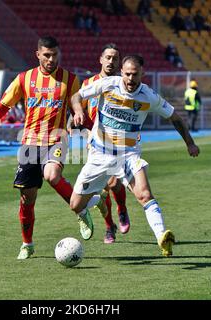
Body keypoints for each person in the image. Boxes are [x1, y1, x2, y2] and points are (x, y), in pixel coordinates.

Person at [0, 36, 106, 260]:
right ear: (38, 54)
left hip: (57, 138)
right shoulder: (24, 79)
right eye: (47, 55)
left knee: (51, 175)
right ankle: (27, 243)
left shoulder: (70, 80)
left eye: (55, 55)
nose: (51, 60)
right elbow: (3, 106)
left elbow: (79, 111)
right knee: (27, 198)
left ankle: (81, 209)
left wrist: (97, 133)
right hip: (30, 142)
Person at [70, 55, 200, 257]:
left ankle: (162, 238)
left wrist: (190, 143)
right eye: (127, 74)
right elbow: (76, 96)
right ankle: (98, 202)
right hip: (99, 155)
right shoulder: (107, 84)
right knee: (75, 205)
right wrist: (78, 110)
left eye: (135, 74)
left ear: (142, 74)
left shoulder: (148, 96)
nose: (131, 79)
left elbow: (175, 117)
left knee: (145, 195)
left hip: (128, 155)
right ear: (121, 72)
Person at [79, 43, 130, 244]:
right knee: (102, 188)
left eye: (115, 58)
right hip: (96, 143)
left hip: (118, 141)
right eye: (107, 57)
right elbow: (78, 108)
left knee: (114, 183)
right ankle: (109, 226)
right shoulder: (88, 84)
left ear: (119, 62)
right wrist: (74, 123)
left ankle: (122, 209)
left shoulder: (124, 84)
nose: (111, 61)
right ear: (100, 59)